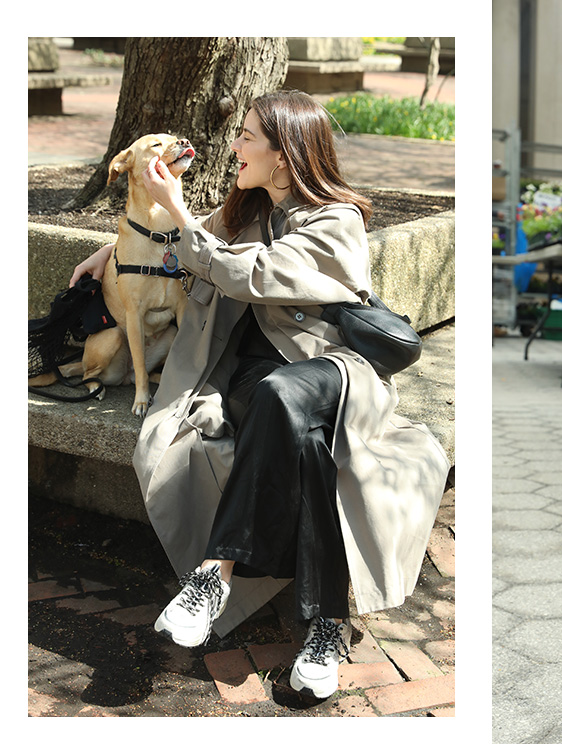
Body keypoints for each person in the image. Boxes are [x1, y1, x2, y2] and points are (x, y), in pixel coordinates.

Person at [70, 89, 450, 700]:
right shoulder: (245, 211)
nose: (235, 146)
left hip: (336, 370)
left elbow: (257, 275)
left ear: (284, 154)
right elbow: (178, 243)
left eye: (247, 136)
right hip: (255, 379)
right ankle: (325, 623)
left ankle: (214, 573)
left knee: (287, 395)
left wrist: (184, 215)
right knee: (292, 424)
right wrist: (106, 251)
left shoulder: (337, 220)